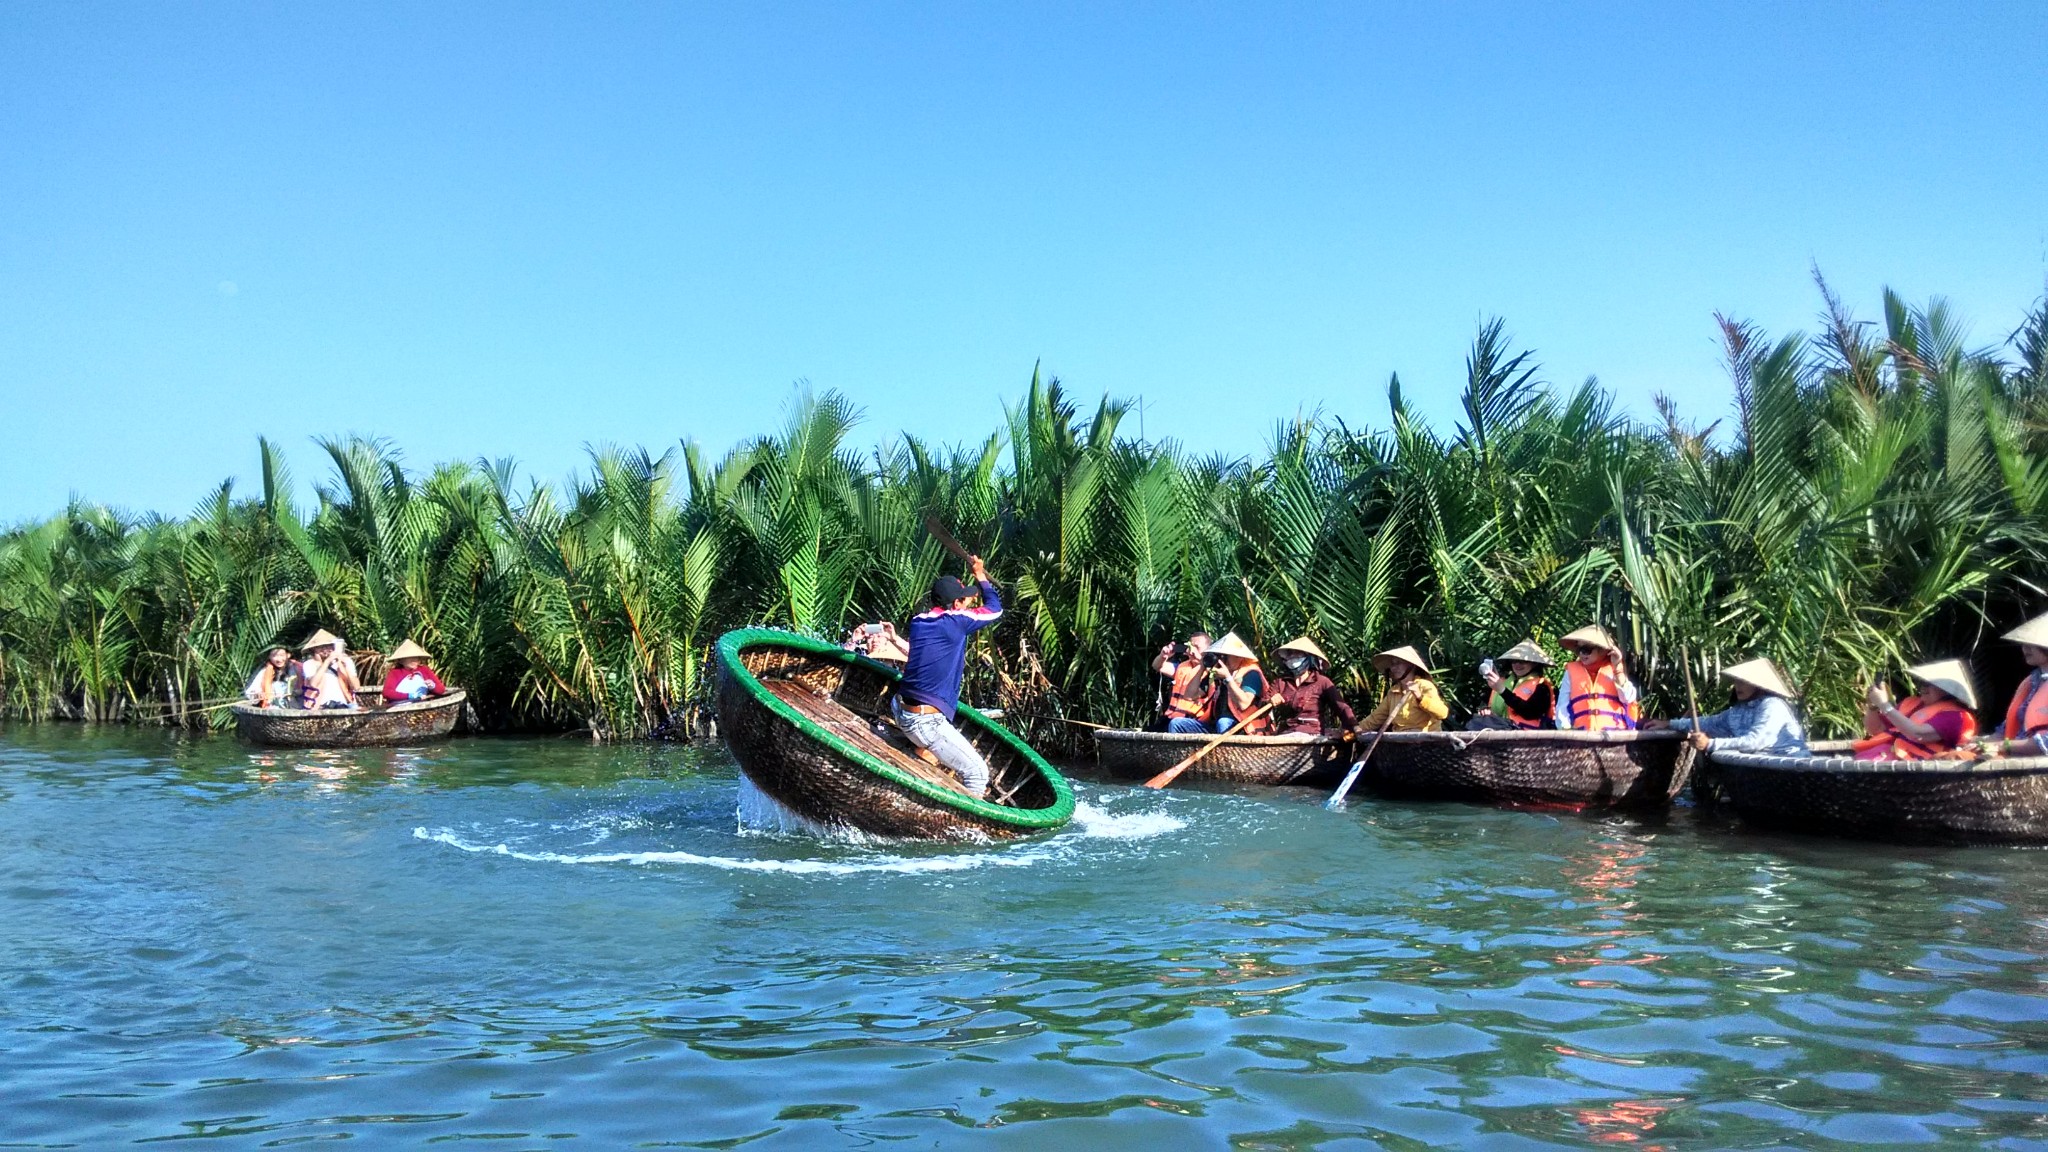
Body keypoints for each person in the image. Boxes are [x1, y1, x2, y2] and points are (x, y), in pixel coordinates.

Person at [893, 556, 1003, 798]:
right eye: (964, 601)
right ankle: (966, 827)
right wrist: (980, 574)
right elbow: (995, 608)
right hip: (923, 722)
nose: (968, 604)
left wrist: (967, 592)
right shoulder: (957, 621)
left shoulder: (919, 621)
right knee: (977, 773)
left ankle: (924, 754)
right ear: (955, 604)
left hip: (900, 709)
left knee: (933, 743)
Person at [1644, 658, 1807, 754]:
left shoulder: (1772, 705)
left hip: (1788, 763)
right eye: (1736, 681)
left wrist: (1710, 744)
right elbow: (1708, 723)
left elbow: (1755, 741)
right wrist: (1670, 723)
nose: (1738, 686)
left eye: (1744, 682)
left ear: (1757, 685)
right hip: (1761, 769)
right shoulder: (1736, 713)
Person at [1853, 660, 1978, 761]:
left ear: (1947, 691)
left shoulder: (1956, 716)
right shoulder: (1911, 703)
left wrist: (1885, 705)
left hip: (1917, 773)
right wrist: (1873, 706)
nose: (1923, 688)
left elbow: (1918, 735)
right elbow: (1876, 729)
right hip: (1883, 757)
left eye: (1929, 684)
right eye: (1921, 683)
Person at [1556, 625, 1639, 731]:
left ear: (1603, 650)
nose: (1581, 654)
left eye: (1586, 650)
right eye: (1579, 649)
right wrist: (1566, 730)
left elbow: (1627, 698)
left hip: (1615, 735)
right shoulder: (1570, 672)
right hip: (1582, 736)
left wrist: (1618, 668)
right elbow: (1562, 706)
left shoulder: (1615, 668)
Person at [1270, 636, 1356, 736]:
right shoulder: (1280, 682)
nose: (1292, 657)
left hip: (1311, 732)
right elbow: (1262, 706)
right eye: (1290, 654)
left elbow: (1341, 707)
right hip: (1286, 732)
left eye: (1297, 654)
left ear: (1309, 658)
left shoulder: (1322, 682)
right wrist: (1270, 701)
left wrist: (1354, 726)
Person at [1990, 612, 2048, 757]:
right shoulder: (2031, 682)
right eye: (2024, 643)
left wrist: (2003, 745)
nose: (2025, 648)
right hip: (2018, 763)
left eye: (2033, 644)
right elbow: (2003, 732)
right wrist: (1975, 743)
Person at [1467, 640, 1555, 730]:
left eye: (1522, 661)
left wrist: (1503, 691)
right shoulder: (1502, 682)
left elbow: (1530, 712)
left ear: (1534, 663)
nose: (1517, 664)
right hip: (1502, 730)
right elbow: (1486, 704)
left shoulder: (1542, 686)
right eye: (1514, 661)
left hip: (1529, 737)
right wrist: (1486, 710)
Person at [1357, 645, 1449, 733]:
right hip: (1402, 741)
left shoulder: (1424, 686)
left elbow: (1442, 713)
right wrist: (1353, 732)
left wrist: (1420, 697)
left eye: (1398, 663)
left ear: (1411, 665)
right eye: (1392, 664)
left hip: (1426, 741)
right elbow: (1375, 719)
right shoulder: (1393, 692)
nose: (1394, 668)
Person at [1201, 632, 1272, 734]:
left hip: (1245, 727)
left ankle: (1225, 750)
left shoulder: (1251, 674)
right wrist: (1202, 667)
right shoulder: (1217, 673)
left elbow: (1244, 704)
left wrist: (1228, 678)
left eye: (1226, 656)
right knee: (1178, 724)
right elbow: (1190, 696)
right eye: (1220, 656)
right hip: (1215, 724)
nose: (1222, 659)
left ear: (1239, 657)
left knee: (1223, 722)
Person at [1153, 631, 1214, 733]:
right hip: (1171, 718)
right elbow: (1157, 666)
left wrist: (1202, 663)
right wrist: (1163, 656)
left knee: (1175, 724)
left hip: (1193, 721)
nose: (1192, 651)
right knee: (1151, 730)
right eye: (1190, 646)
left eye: (1197, 647)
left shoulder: (1211, 673)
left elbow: (1192, 695)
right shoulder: (1182, 667)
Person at [296, 629, 361, 710]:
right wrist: (327, 661)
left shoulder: (346, 661)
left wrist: (345, 667)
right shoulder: (309, 664)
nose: (326, 649)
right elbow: (313, 684)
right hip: (318, 706)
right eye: (321, 647)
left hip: (343, 705)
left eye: (330, 646)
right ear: (313, 649)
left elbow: (356, 686)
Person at [381, 639, 450, 702]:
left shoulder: (425, 670)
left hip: (421, 706)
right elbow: (387, 692)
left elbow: (441, 690)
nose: (414, 660)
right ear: (401, 660)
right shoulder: (395, 673)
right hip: (399, 707)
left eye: (416, 657)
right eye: (410, 658)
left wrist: (432, 686)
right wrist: (409, 696)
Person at [845, 620, 911, 669]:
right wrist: (853, 640)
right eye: (871, 637)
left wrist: (894, 639)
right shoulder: (859, 653)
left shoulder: (897, 660)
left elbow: (917, 655)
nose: (875, 640)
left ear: (887, 641)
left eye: (879, 637)